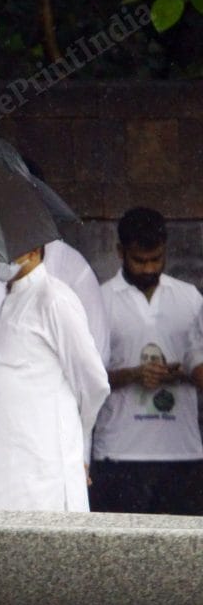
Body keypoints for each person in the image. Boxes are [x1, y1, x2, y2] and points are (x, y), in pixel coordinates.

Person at [0, 245, 109, 513]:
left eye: (3, 249)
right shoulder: (11, 299)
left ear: (34, 250)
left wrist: (78, 447)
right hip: (7, 467)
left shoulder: (54, 298)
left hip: (46, 472)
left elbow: (93, 382)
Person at [92, 207, 203, 515]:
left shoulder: (189, 298)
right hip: (119, 451)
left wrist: (178, 375)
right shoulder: (100, 300)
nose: (148, 268)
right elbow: (86, 377)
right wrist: (133, 375)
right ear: (120, 252)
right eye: (139, 261)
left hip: (182, 451)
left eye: (156, 259)